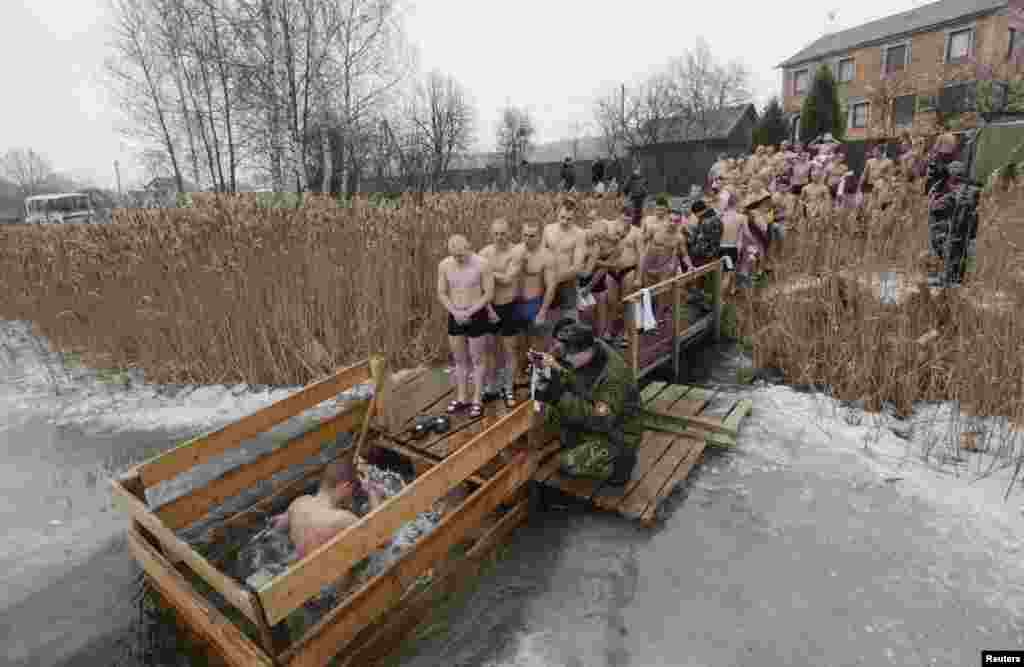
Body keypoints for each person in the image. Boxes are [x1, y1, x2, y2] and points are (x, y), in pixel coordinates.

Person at [531, 319, 642, 486]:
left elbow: (602, 419)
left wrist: (559, 396)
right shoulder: (589, 346)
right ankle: (576, 440)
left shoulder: (613, 377)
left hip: (617, 432)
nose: (564, 358)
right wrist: (552, 371)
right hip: (595, 413)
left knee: (568, 464)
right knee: (552, 411)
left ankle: (619, 464)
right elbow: (577, 380)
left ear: (586, 351)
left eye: (569, 355)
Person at [277, 459, 389, 561]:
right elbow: (382, 541)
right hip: (329, 576)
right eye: (353, 490)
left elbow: (278, 528)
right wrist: (372, 492)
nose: (352, 496)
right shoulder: (343, 519)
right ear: (345, 487)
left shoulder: (298, 503)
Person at [437, 234, 495, 418]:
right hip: (455, 313)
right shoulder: (445, 265)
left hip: (476, 313)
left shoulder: (482, 264)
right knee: (459, 359)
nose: (458, 259)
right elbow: (442, 292)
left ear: (469, 247)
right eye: (455, 256)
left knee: (478, 359)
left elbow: (488, 293)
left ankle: (477, 399)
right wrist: (454, 311)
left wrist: (470, 312)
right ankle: (462, 398)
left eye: (461, 255)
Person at [479, 219, 526, 408]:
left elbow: (507, 279)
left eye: (503, 233)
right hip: (490, 306)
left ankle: (508, 387)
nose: (500, 237)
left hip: (509, 306)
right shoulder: (484, 253)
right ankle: (492, 387)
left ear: (509, 233)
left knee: (510, 349)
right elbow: (479, 282)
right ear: (492, 234)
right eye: (496, 234)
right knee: (490, 349)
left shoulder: (516, 252)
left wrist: (488, 271)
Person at [927, 161, 981, 287]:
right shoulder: (953, 190)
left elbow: (941, 206)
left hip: (962, 232)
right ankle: (951, 276)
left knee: (954, 246)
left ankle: (952, 277)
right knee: (948, 243)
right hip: (958, 230)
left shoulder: (965, 191)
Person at [517, 223, 558, 363]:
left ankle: (539, 373)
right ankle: (522, 373)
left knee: (537, 346)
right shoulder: (516, 251)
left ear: (539, 236)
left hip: (534, 303)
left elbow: (551, 286)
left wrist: (542, 311)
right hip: (516, 304)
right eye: (525, 235)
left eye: (532, 236)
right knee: (518, 345)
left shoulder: (547, 256)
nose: (527, 239)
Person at [543, 198, 587, 322]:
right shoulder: (548, 229)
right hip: (547, 280)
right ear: (557, 212)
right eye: (562, 217)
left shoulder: (579, 234)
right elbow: (541, 255)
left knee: (570, 322)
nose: (564, 221)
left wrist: (556, 278)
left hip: (568, 281)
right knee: (546, 320)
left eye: (569, 219)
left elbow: (577, 266)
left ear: (574, 217)